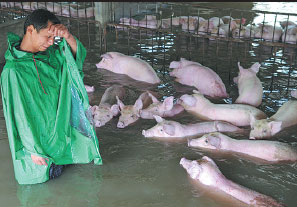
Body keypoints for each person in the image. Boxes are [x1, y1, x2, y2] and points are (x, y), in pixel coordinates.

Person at [0, 9, 102, 185]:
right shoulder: (13, 71)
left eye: (53, 38)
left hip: (60, 137)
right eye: (47, 36)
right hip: (38, 149)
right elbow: (18, 114)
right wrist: (32, 149)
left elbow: (74, 61)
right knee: (43, 188)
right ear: (31, 30)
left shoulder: (51, 55)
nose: (50, 42)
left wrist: (68, 36)